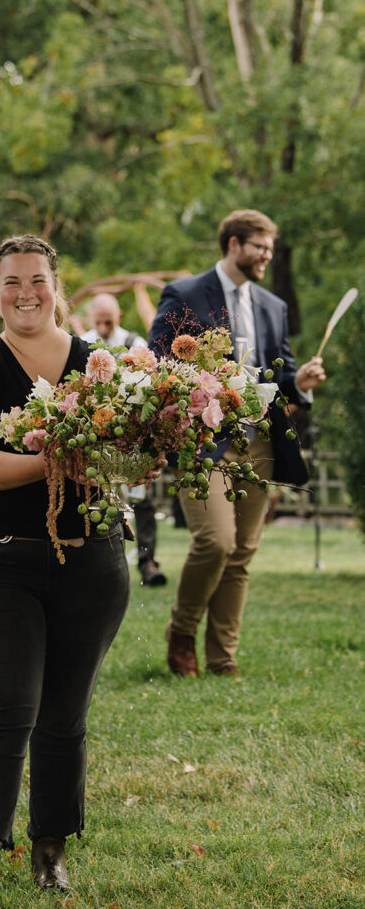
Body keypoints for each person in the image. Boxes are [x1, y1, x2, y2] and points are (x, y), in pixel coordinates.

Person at [0, 235, 160, 908]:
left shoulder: (105, 367)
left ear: (56, 285)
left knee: (63, 717)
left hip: (90, 560)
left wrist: (142, 457)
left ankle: (50, 851)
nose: (25, 293)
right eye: (11, 282)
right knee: (8, 708)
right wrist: (54, 461)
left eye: (36, 280)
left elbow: (133, 454)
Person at [149, 209, 326, 677]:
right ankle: (182, 630)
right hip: (203, 442)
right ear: (233, 244)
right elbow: (156, 360)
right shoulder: (184, 293)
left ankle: (222, 658)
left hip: (260, 440)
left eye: (269, 247)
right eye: (259, 246)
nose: (267, 254)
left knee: (242, 551)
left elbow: (279, 372)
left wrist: (300, 381)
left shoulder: (273, 305)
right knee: (216, 541)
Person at [82, 293, 167, 587]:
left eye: (109, 321)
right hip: (97, 433)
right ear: (92, 318)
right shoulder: (82, 342)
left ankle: (147, 560)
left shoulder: (135, 343)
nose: (104, 327)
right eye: (99, 321)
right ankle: (100, 563)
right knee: (99, 497)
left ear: (118, 316)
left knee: (141, 499)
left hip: (131, 430)